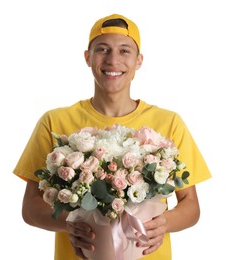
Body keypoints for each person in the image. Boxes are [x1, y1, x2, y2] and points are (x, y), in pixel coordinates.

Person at [13, 13, 211, 260]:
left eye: (124, 51)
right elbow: (30, 207)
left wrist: (165, 223)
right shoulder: (54, 122)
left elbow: (191, 205)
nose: (113, 60)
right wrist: (69, 223)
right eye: (102, 49)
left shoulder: (169, 123)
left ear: (139, 61)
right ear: (88, 57)